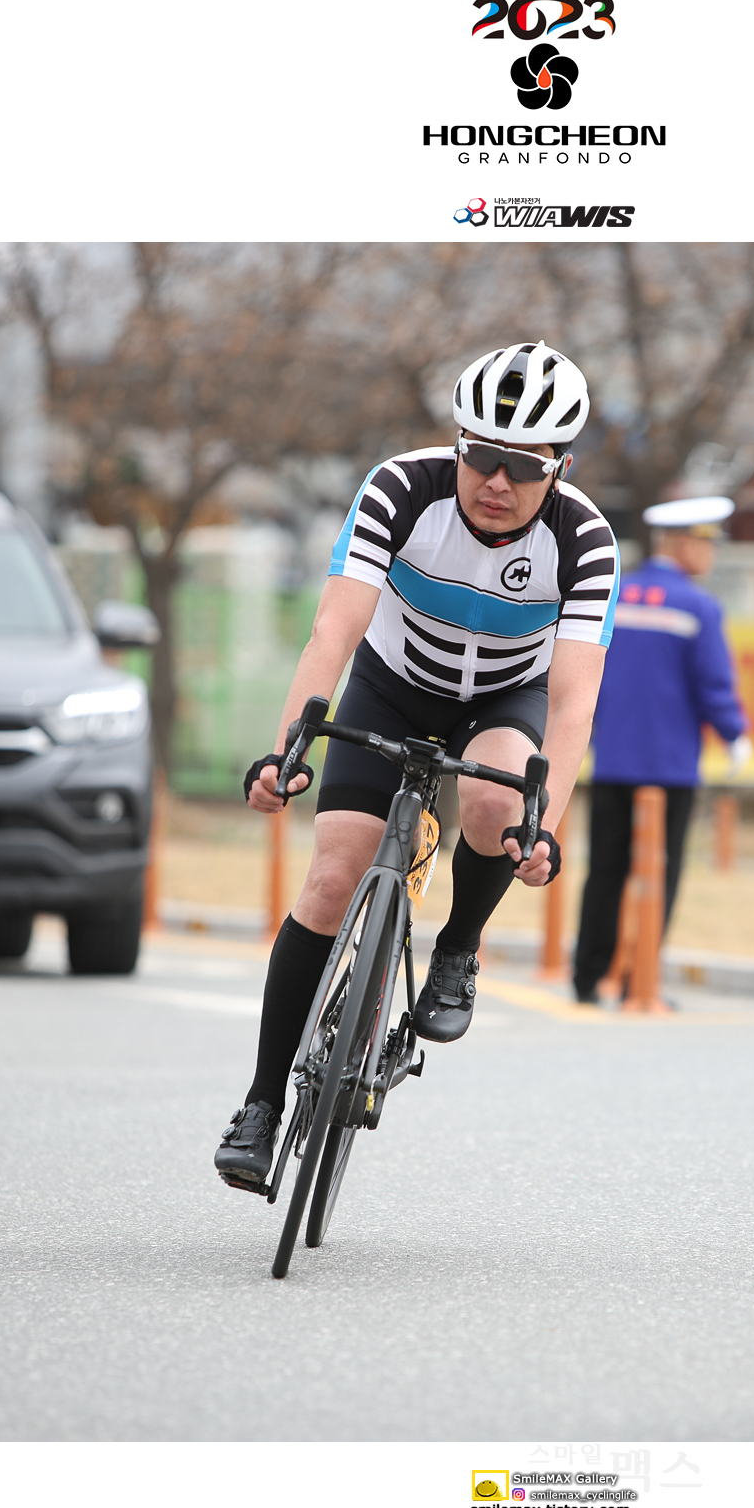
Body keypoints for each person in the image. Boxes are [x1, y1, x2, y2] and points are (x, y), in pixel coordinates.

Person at [215, 341, 619, 1192]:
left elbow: (574, 702)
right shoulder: (401, 487)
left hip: (504, 699)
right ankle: (261, 1106)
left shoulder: (585, 538)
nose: (497, 481)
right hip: (391, 686)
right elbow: (334, 631)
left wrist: (543, 826)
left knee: (493, 807)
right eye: (482, 455)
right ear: (458, 443)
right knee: (333, 878)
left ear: (562, 468)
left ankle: (459, 948)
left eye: (525, 466)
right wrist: (288, 749)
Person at [572, 495, 750, 1003]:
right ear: (682, 544)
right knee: (659, 873)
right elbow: (713, 684)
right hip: (670, 766)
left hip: (612, 759)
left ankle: (587, 977)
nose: (711, 554)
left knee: (604, 872)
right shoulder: (697, 606)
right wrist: (735, 734)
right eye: (706, 544)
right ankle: (640, 981)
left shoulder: (616, 594)